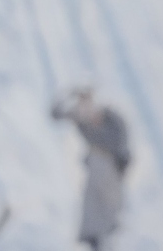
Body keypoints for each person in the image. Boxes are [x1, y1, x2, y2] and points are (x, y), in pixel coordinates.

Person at [51, 88, 131, 251]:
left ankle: (109, 235)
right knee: (91, 202)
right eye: (82, 102)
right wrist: (68, 96)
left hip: (110, 165)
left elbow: (118, 140)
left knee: (111, 205)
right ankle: (93, 238)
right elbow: (55, 114)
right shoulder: (80, 116)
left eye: (87, 101)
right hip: (95, 165)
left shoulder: (110, 117)